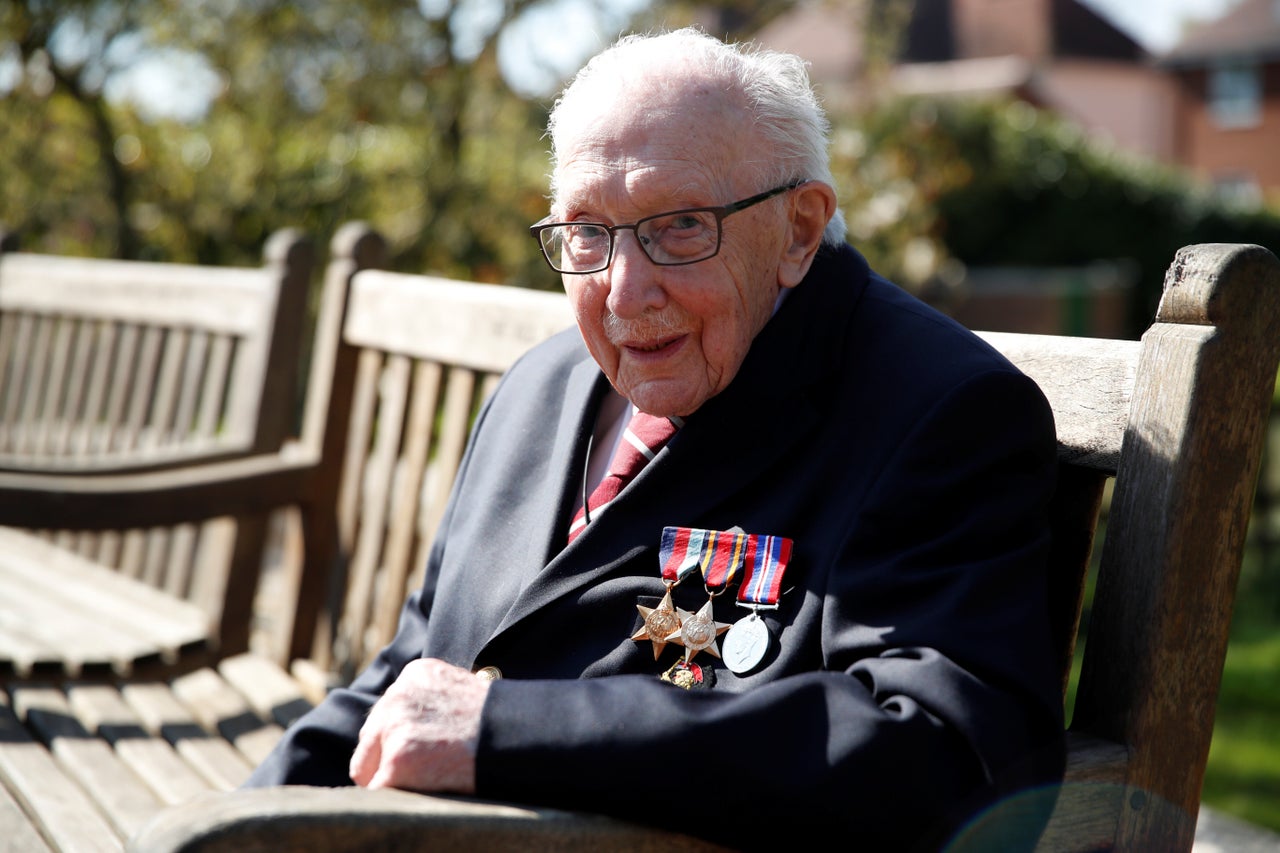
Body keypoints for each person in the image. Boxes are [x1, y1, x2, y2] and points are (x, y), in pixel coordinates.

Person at [246, 28, 1065, 850]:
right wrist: (229, 821)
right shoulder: (538, 386)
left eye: (679, 226)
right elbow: (415, 672)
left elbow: (938, 747)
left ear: (800, 228)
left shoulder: (941, 412)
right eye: (587, 234)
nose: (625, 293)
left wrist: (504, 730)